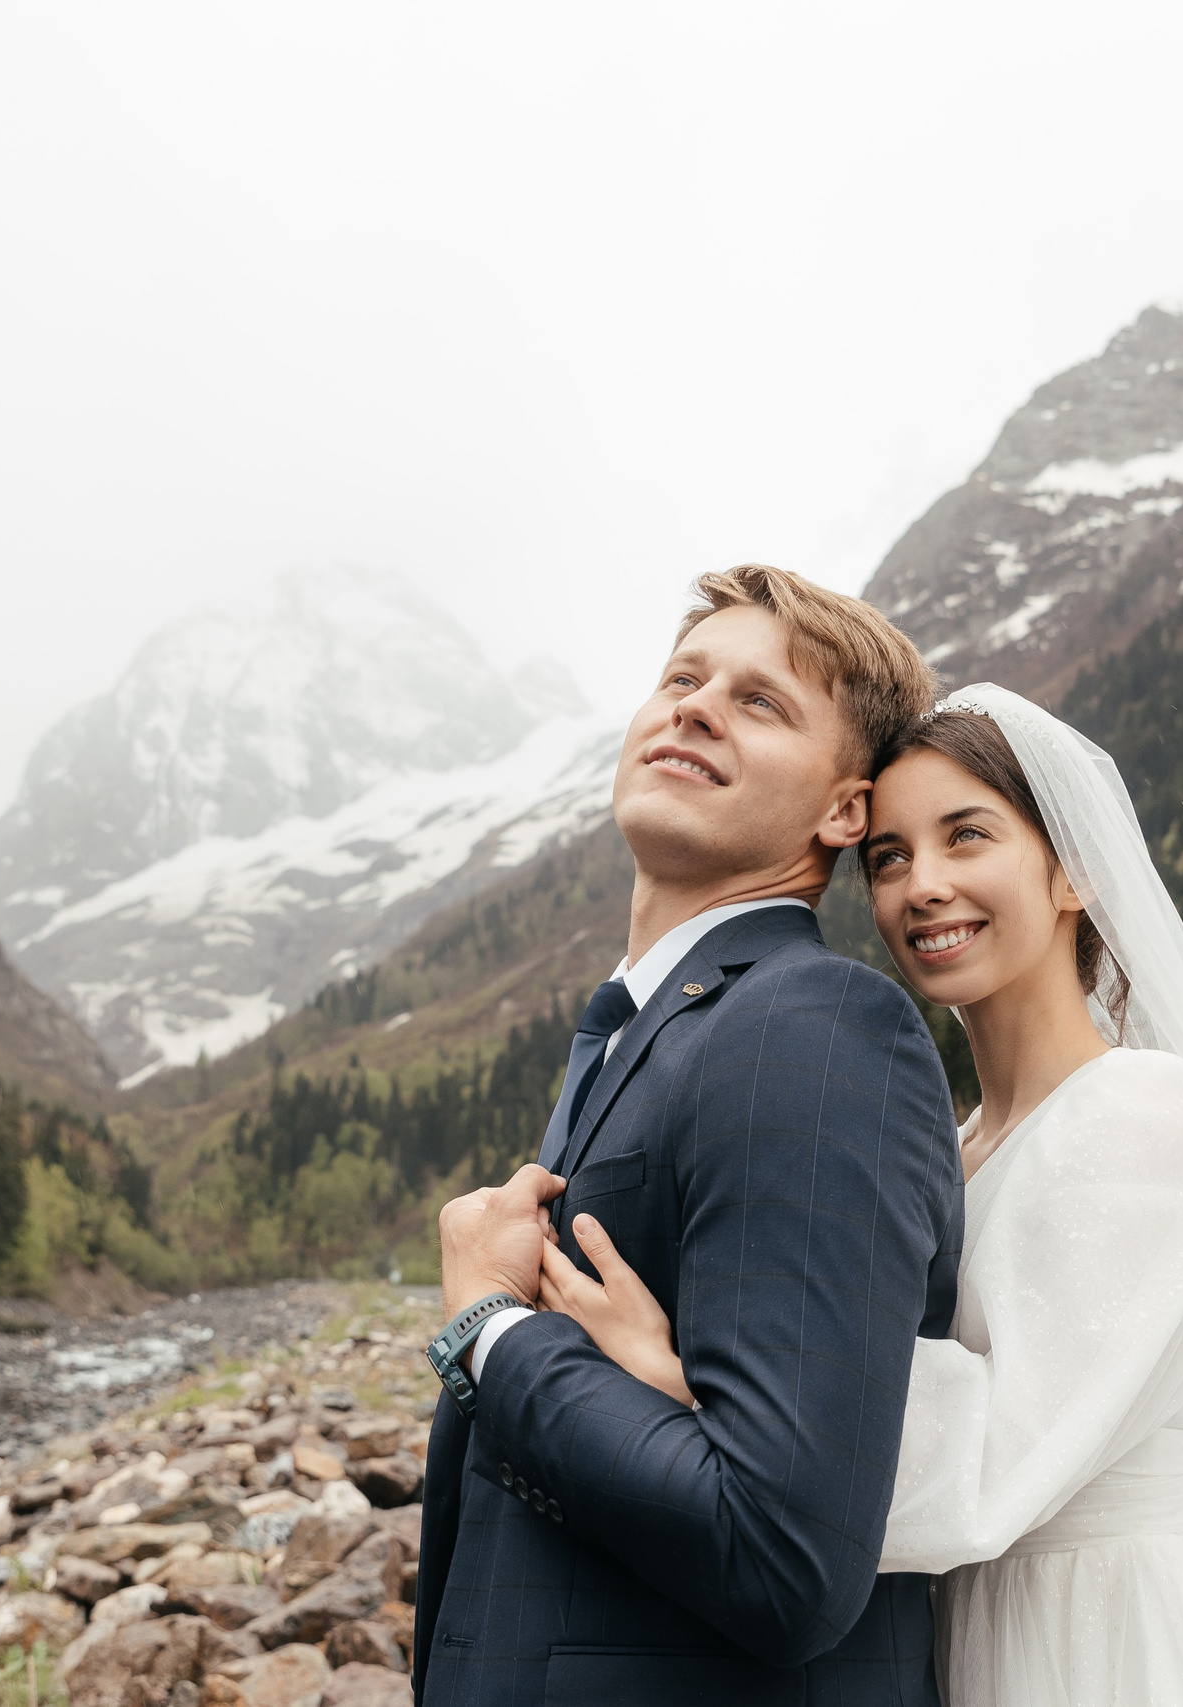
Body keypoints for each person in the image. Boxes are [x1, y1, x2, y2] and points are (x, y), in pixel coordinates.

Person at [542, 684, 1183, 1707]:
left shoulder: (1143, 1112)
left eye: (967, 837)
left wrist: (696, 1377)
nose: (923, 885)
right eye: (889, 857)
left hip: (1106, 1639)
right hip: (969, 1628)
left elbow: (993, 1458)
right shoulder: (958, 1146)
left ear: (1073, 874)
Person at [417, 565, 964, 1706]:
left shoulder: (815, 1030)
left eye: (760, 702)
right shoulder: (658, 1028)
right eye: (682, 676)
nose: (697, 705)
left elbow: (783, 1554)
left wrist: (487, 1332)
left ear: (842, 811)